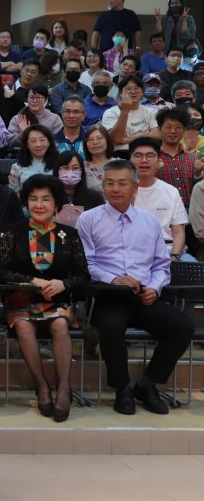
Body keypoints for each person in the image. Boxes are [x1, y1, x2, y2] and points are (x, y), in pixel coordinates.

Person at [76, 159, 194, 415]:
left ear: (135, 187)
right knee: (110, 326)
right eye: (110, 183)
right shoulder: (88, 220)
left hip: (143, 295)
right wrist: (113, 279)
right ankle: (122, 389)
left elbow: (161, 265)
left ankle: (147, 384)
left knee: (183, 327)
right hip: (107, 295)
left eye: (122, 183)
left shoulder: (149, 222)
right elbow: (86, 263)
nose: (115, 189)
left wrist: (155, 287)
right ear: (103, 187)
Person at [0, 174, 90, 422]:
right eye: (33, 199)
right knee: (24, 327)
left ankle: (63, 388)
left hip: (57, 299)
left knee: (60, 324)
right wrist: (33, 282)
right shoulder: (13, 232)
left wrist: (62, 284)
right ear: (26, 202)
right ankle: (42, 385)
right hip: (21, 298)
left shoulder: (69, 234)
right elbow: (1, 271)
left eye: (46, 199)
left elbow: (82, 275)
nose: (39, 204)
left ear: (56, 203)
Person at [129, 137, 194, 262]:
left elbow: (178, 232)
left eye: (150, 156)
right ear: (129, 160)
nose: (144, 160)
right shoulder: (122, 191)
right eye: (138, 155)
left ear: (159, 161)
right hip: (133, 252)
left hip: (168, 250)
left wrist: (175, 256)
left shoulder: (171, 191)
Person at [155, 107, 201, 208]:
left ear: (184, 130)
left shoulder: (193, 159)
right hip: (162, 213)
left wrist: (199, 173)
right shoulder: (152, 159)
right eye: (168, 127)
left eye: (178, 127)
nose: (173, 131)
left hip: (191, 214)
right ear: (159, 129)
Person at [102, 75, 159, 150]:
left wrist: (127, 140)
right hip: (120, 155)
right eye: (128, 89)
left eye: (136, 88)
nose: (133, 92)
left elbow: (157, 135)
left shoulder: (151, 111)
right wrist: (124, 111)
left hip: (146, 152)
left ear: (142, 92)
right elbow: (116, 139)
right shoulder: (111, 112)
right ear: (121, 93)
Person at [8, 125, 58, 194]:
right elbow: (14, 194)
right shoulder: (17, 167)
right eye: (33, 141)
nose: (38, 145)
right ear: (27, 145)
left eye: (42, 140)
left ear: (49, 142)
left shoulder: (59, 163)